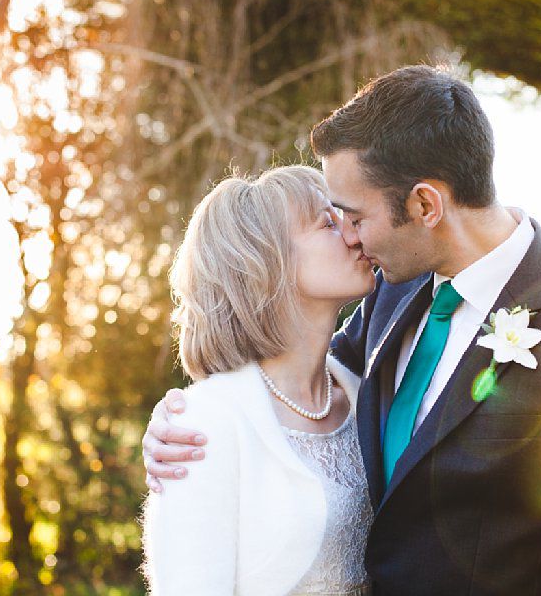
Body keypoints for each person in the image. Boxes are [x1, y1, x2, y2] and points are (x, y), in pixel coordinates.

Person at [143, 65, 541, 595]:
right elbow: (296, 387)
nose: (349, 236)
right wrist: (179, 423)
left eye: (353, 215)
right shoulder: (391, 292)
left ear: (424, 204)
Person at [141, 165, 378, 595]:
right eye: (328, 222)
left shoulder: (366, 394)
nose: (354, 233)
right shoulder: (204, 424)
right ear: (268, 265)